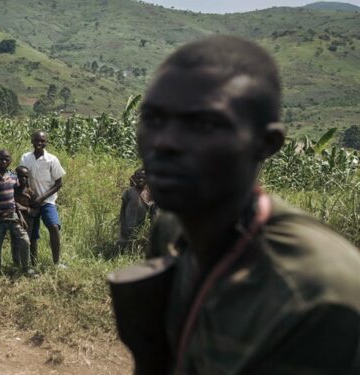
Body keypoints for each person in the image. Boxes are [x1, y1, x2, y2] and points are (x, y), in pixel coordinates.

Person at [137, 35, 360, 373]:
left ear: (266, 144)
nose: (165, 142)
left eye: (204, 124)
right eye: (153, 119)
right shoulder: (172, 229)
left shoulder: (320, 296)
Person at [20, 130, 66, 267]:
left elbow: (59, 183)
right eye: (37, 140)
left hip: (47, 201)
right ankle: (33, 263)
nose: (39, 143)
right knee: (32, 234)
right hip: (31, 201)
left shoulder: (52, 159)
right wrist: (29, 197)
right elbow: (23, 178)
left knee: (53, 227)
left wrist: (41, 198)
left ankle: (56, 262)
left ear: (46, 142)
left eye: (42, 141)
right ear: (32, 141)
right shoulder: (25, 158)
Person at [0, 150, 32, 275]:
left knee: (24, 240)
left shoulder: (13, 177)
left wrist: (20, 215)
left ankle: (25, 267)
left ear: (10, 161)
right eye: (1, 159)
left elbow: (15, 197)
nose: (4, 161)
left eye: (7, 159)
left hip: (12, 215)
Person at [118, 168, 156, 248]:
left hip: (139, 230)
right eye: (138, 177)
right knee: (122, 248)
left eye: (144, 178)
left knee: (135, 248)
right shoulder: (129, 192)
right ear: (134, 178)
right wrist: (123, 226)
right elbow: (122, 210)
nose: (141, 180)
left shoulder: (149, 194)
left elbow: (152, 213)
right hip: (127, 227)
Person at [14, 165, 39, 267]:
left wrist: (24, 208)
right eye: (20, 176)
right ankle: (17, 265)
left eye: (25, 177)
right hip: (15, 220)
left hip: (28, 222)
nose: (23, 179)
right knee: (15, 243)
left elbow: (36, 210)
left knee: (27, 242)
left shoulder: (31, 192)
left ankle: (29, 265)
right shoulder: (13, 190)